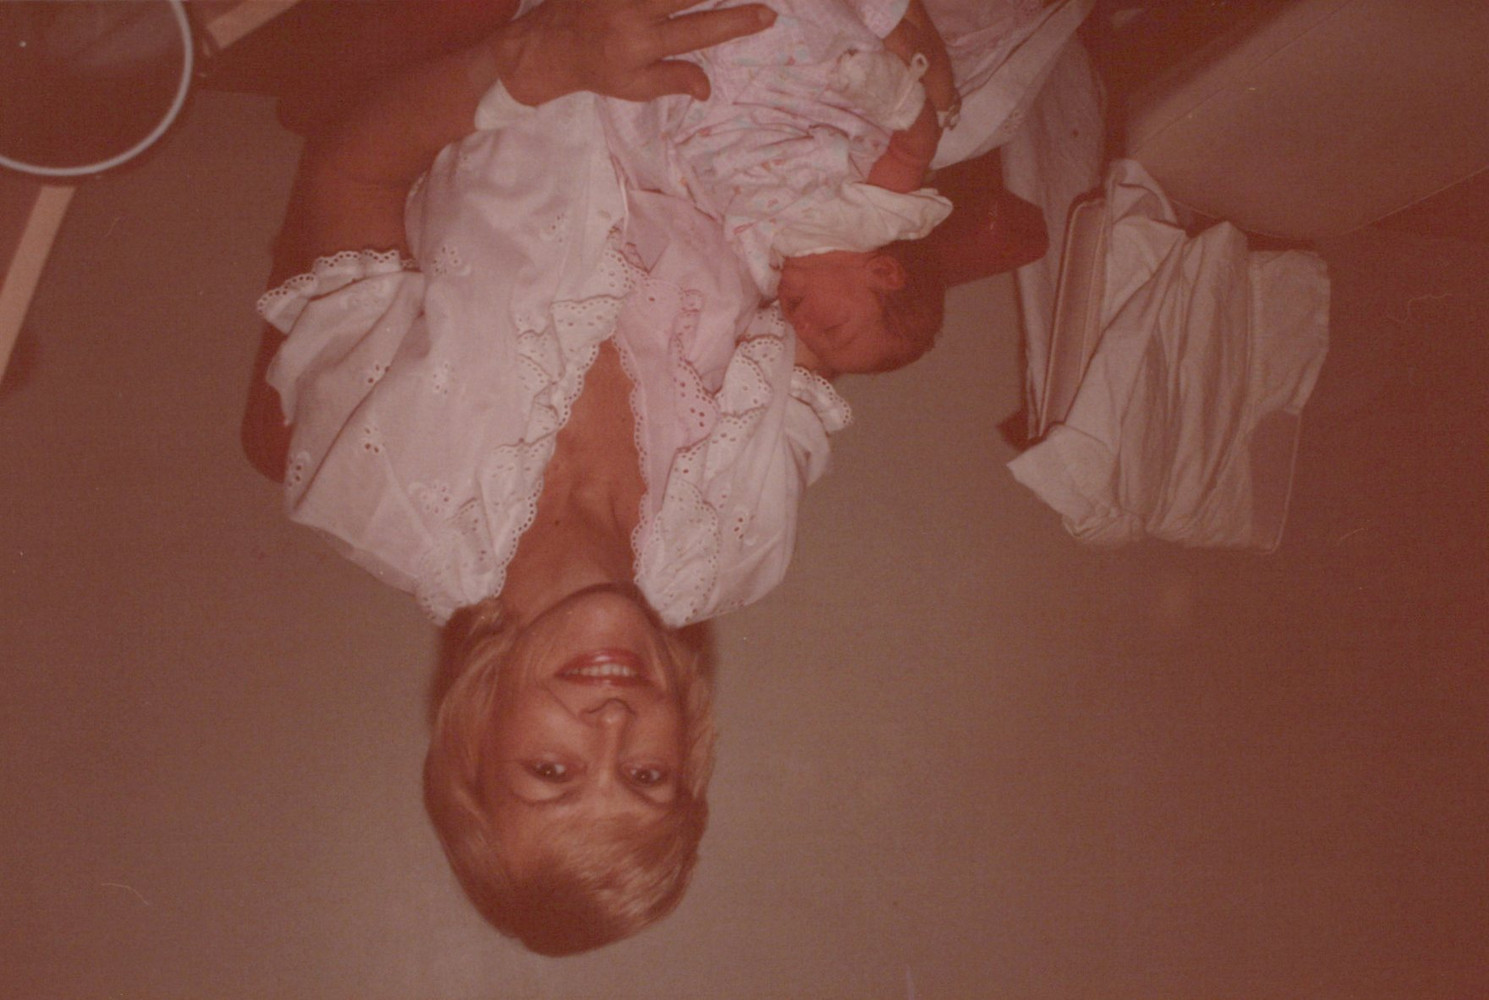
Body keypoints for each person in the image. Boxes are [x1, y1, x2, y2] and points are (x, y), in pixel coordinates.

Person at [591, 0, 962, 378]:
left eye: (812, 343)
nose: (804, 328)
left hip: (702, 124)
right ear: (884, 273)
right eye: (832, 329)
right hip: (777, 91)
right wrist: (894, 96)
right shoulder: (872, 221)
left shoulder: (766, 271)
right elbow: (915, 147)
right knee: (788, 26)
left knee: (623, 121)